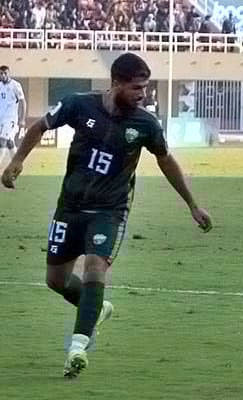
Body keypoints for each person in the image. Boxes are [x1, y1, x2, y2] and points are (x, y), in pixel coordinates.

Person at [1, 53, 213, 378]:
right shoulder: (78, 105)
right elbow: (40, 126)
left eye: (145, 88)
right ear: (115, 83)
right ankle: (98, 309)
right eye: (136, 88)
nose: (143, 94)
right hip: (69, 207)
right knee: (55, 280)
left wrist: (192, 204)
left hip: (109, 211)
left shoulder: (146, 124)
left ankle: (77, 347)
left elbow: (166, 160)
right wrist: (17, 161)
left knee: (95, 267)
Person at [0, 65, 26, 166]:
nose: (3, 75)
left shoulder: (15, 85)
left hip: (10, 119)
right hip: (1, 119)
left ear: (8, 73)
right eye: (1, 74)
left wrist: (22, 119)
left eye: (5, 73)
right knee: (10, 142)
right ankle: (17, 164)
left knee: (2, 141)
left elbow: (23, 102)